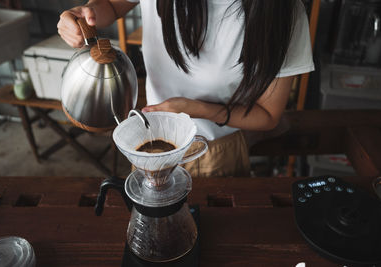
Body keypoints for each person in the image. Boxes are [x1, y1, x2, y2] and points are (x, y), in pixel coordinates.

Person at [58, 0, 314, 177]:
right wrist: (85, 14)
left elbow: (268, 115)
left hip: (217, 148)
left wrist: (199, 110)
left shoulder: (284, 13)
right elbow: (111, 5)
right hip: (150, 142)